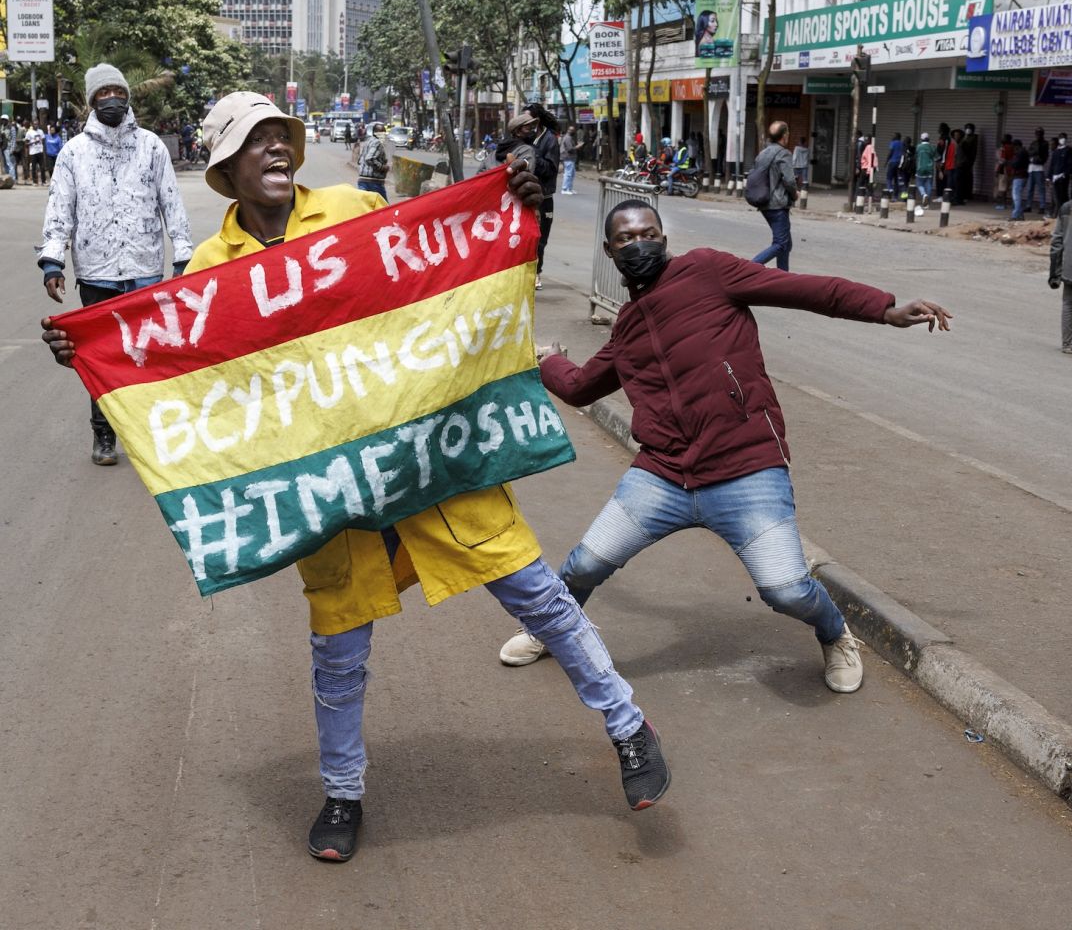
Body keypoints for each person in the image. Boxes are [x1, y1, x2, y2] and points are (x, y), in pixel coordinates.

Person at [41, 92, 672, 862]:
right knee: (338, 650)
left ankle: (630, 729)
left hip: (426, 455)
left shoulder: (351, 208)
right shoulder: (212, 270)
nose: (276, 149)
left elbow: (445, 256)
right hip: (331, 491)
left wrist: (517, 210)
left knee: (537, 595)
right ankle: (342, 792)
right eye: (255, 141)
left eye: (283, 137)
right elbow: (181, 369)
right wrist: (96, 351)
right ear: (226, 169)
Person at [498, 200, 952, 693]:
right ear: (610, 251)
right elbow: (583, 386)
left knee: (786, 591)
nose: (639, 244)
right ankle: (551, 629)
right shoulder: (627, 327)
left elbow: (805, 290)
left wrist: (884, 309)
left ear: (664, 239)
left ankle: (835, 633)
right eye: (626, 239)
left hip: (746, 468)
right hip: (664, 476)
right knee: (586, 563)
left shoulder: (709, 271)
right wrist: (548, 362)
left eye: (647, 233)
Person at [36, 63, 192, 466]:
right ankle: (103, 437)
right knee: (102, 360)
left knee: (148, 356)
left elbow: (171, 204)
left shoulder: (152, 147)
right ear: (92, 101)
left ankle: (150, 439)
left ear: (127, 96)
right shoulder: (73, 153)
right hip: (96, 273)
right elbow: (59, 211)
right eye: (102, 94)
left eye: (116, 92)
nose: (110, 99)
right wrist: (53, 262)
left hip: (144, 270)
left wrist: (183, 255)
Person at [524, 102, 561, 290]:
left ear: (537, 120)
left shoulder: (550, 140)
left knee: (540, 239)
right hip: (524, 196)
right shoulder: (526, 138)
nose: (526, 124)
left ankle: (537, 274)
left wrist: (531, 157)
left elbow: (551, 169)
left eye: (528, 120)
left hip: (543, 198)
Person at [750, 120, 796, 271]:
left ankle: (783, 276)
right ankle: (751, 266)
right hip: (777, 204)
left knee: (786, 243)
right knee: (781, 243)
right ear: (784, 136)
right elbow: (789, 180)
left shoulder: (763, 153)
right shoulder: (783, 153)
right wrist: (794, 195)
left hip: (764, 202)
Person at [1049, 195, 1072, 355]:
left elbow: (1056, 241)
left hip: (1070, 264)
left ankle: (1067, 344)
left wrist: (1054, 272)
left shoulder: (1066, 207)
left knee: (1068, 304)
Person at [355, 121, 389, 200]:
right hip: (373, 182)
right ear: (376, 133)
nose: (384, 135)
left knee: (366, 207)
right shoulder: (377, 143)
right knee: (384, 208)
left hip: (362, 180)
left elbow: (360, 160)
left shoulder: (368, 141)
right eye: (382, 132)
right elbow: (369, 158)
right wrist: (382, 167)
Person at [1028, 127, 1049, 215]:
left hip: (1039, 168)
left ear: (1042, 134)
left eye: (1039, 133)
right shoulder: (1033, 142)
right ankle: (1028, 206)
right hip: (1031, 168)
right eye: (1036, 133)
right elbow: (1029, 152)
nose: (1037, 135)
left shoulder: (1045, 143)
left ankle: (1042, 207)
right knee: (1030, 189)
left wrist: (1035, 153)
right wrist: (1034, 154)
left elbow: (1042, 154)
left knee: (1041, 189)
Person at [956, 123, 978, 205]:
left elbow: (967, 149)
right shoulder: (965, 138)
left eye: (969, 128)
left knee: (962, 181)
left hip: (965, 163)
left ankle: (963, 197)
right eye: (967, 128)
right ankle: (962, 196)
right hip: (963, 162)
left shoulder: (972, 139)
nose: (968, 130)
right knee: (962, 180)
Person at [1049, 134, 1070, 218]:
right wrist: (1048, 177)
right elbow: (1052, 165)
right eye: (1061, 138)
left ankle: (1059, 214)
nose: (1062, 140)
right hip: (1055, 177)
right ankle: (1057, 213)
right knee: (1056, 196)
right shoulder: (1056, 151)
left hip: (1063, 177)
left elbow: (1069, 164)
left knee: (1062, 196)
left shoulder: (1068, 150)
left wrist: (1064, 174)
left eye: (1063, 138)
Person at [1009, 138, 1029, 222]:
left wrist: (1010, 163)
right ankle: (1020, 216)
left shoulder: (1020, 153)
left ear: (1016, 146)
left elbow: (1016, 164)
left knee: (1016, 196)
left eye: (1013, 147)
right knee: (1017, 196)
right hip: (1021, 176)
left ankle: (1015, 215)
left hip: (1019, 176)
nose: (1013, 149)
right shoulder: (1022, 152)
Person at [994, 133, 1015, 212]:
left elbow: (1002, 161)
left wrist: (997, 170)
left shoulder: (1004, 148)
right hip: (1012, 169)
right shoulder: (1013, 147)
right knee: (1011, 187)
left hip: (1005, 170)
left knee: (1003, 188)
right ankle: (1013, 204)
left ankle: (1003, 204)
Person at [560, 123, 582, 195]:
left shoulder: (569, 137)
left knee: (571, 174)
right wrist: (578, 146)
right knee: (568, 174)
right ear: (568, 130)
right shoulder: (568, 138)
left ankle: (569, 188)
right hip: (568, 158)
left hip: (570, 158)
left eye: (573, 130)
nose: (572, 131)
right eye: (571, 130)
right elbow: (570, 149)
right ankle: (564, 189)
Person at [914, 133, 937, 203]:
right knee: (929, 185)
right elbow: (937, 158)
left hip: (920, 168)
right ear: (928, 139)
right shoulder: (933, 147)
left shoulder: (918, 147)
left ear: (921, 139)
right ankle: (927, 202)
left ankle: (924, 194)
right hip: (930, 169)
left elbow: (916, 157)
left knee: (919, 184)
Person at [25, 118, 45, 185]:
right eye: (34, 124)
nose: (36, 125)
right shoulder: (29, 132)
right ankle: (34, 181)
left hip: (40, 151)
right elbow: (26, 144)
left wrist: (43, 148)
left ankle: (43, 181)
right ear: (32, 124)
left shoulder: (41, 131)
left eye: (37, 124)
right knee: (34, 168)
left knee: (42, 167)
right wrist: (33, 142)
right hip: (33, 152)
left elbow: (43, 141)